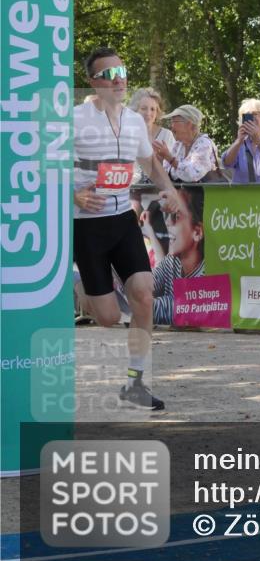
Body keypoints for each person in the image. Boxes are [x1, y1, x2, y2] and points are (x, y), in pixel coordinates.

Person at [73, 47, 182, 411]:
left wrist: (168, 191)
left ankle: (136, 382)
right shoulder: (75, 119)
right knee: (106, 317)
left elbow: (149, 162)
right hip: (86, 226)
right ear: (92, 82)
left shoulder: (135, 122)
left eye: (121, 70)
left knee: (144, 294)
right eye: (108, 73)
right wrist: (74, 194)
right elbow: (45, 163)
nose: (118, 78)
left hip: (122, 220)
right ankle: (80, 288)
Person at [152, 186, 205, 325]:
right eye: (167, 216)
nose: (168, 222)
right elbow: (148, 285)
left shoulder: (207, 272)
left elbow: (179, 308)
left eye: (176, 216)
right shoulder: (172, 260)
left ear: (197, 233)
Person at [223, 98, 260, 183]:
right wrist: (238, 141)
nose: (251, 118)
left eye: (255, 114)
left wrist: (259, 141)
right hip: (243, 195)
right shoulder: (241, 142)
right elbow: (227, 163)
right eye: (246, 115)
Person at [160, 105, 221, 183]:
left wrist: (170, 159)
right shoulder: (178, 145)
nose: (171, 126)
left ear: (189, 124)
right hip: (180, 194)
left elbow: (192, 175)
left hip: (204, 194)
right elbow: (165, 173)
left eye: (174, 122)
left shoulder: (204, 144)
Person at [128, 87, 174, 183]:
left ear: (157, 113)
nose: (148, 113)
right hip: (130, 189)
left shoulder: (166, 135)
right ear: (135, 110)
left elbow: (174, 168)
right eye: (144, 108)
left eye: (153, 109)